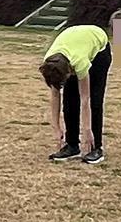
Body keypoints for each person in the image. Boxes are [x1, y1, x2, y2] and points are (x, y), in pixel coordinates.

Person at [37, 19, 109, 166]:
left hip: (99, 49)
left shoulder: (80, 62)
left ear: (69, 70)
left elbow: (85, 99)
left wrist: (87, 130)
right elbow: (55, 95)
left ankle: (96, 147)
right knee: (69, 101)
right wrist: (56, 128)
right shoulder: (50, 64)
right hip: (73, 39)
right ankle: (72, 145)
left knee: (95, 100)